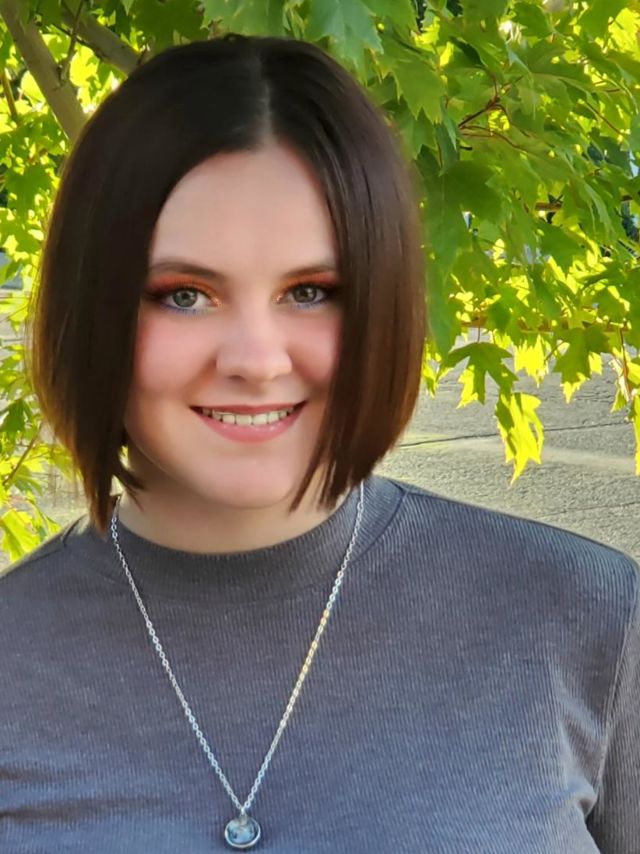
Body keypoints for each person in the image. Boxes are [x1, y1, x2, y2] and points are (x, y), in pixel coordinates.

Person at [1, 33, 638, 854]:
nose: (257, 360)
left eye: (311, 291)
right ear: (91, 307)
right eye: (183, 295)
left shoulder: (588, 617)